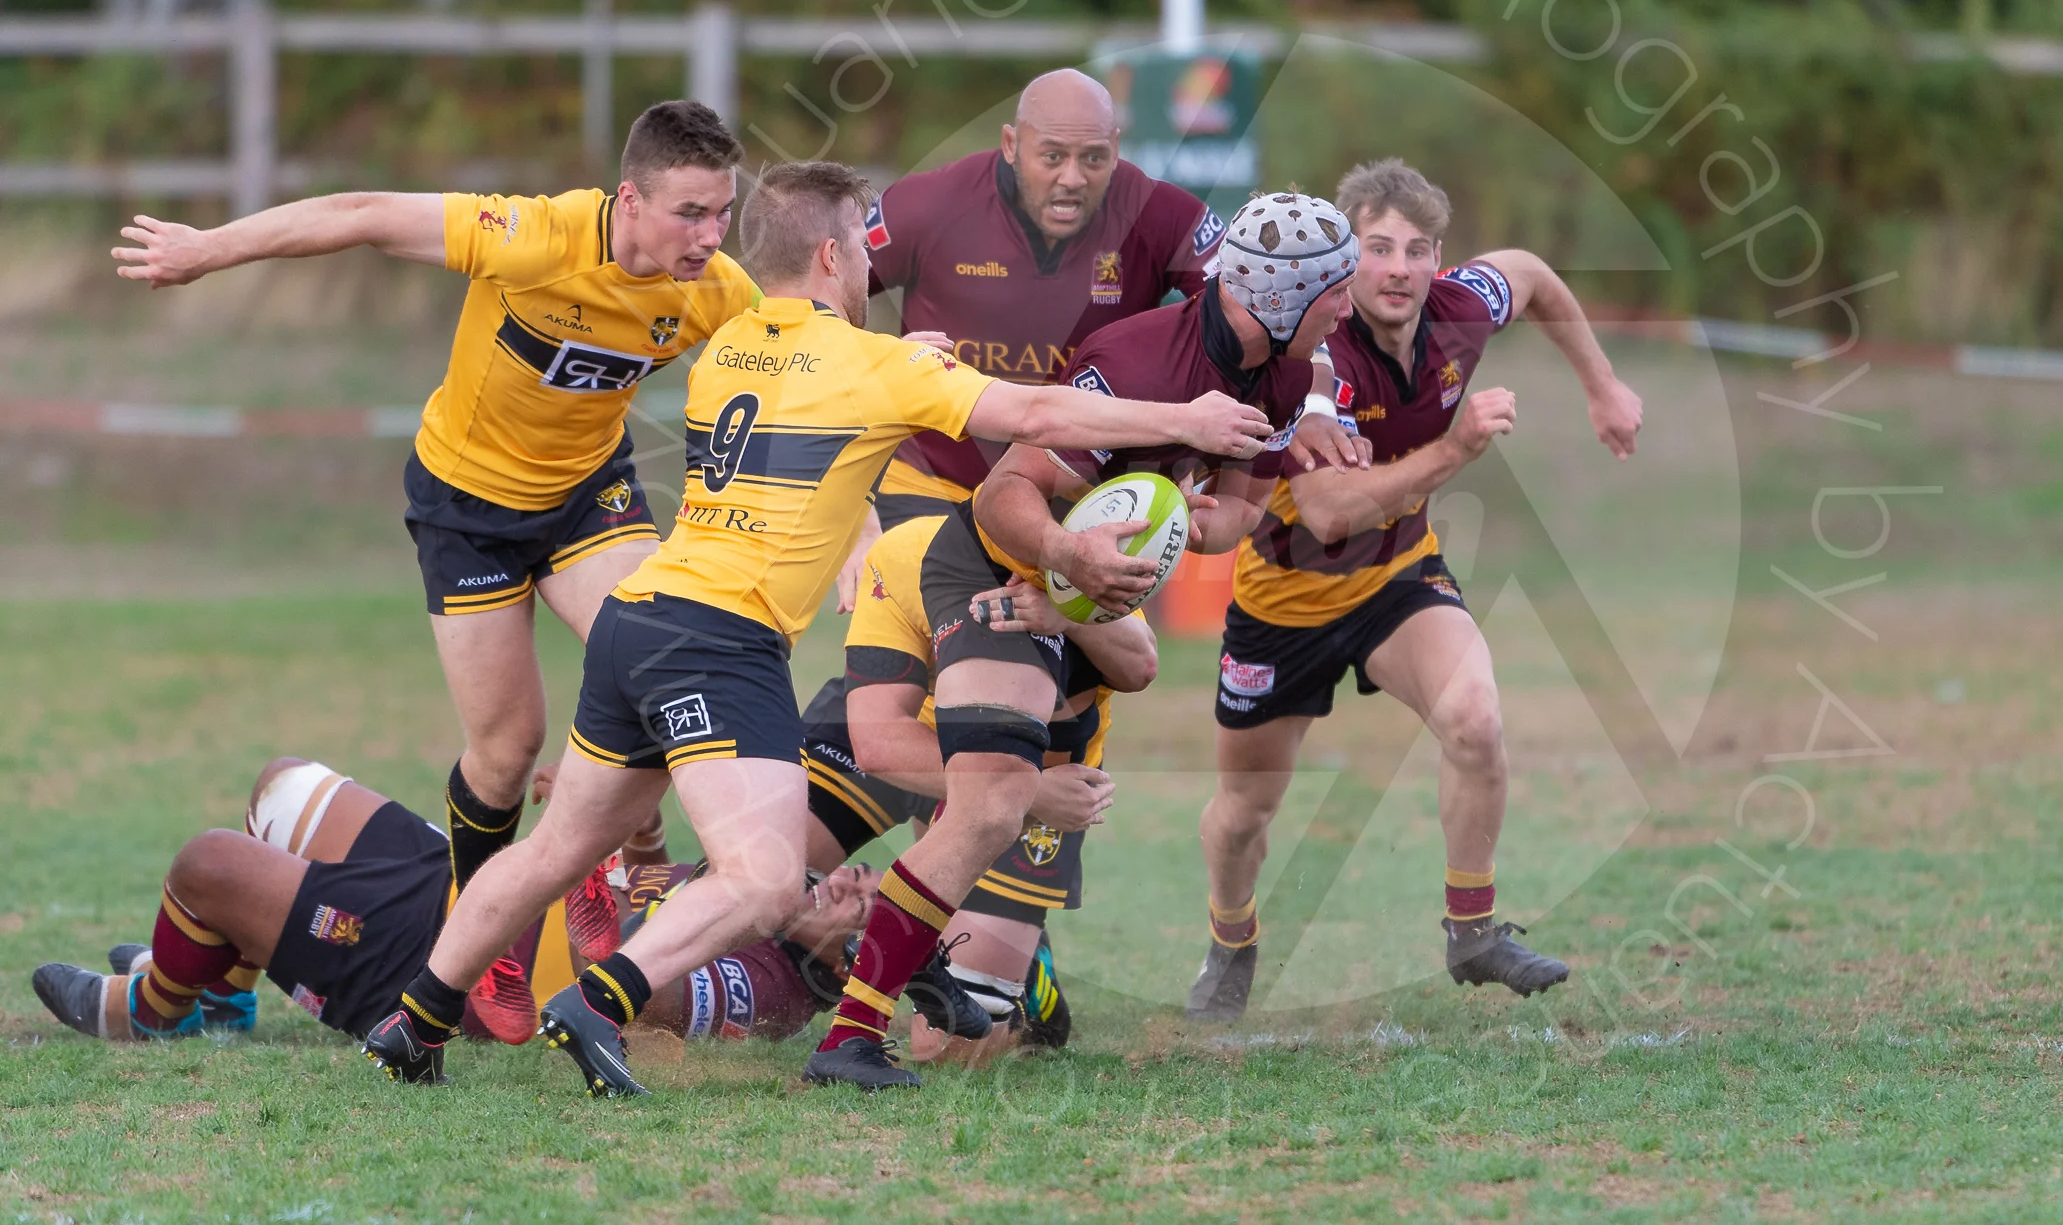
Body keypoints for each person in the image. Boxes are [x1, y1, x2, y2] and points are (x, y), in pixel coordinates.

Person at [361, 159, 1275, 1097]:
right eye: (864, 248)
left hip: (638, 618)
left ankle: (416, 1021)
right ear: (835, 256)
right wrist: (1185, 417)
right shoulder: (876, 363)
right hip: (719, 642)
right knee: (761, 880)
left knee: (559, 848)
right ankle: (599, 1002)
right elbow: (1036, 412)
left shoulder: (731, 338)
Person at [111, 102, 761, 905]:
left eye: (723, 212)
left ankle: (638, 856)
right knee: (507, 751)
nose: (710, 236)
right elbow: (363, 214)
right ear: (630, 202)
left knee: (665, 657)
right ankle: (477, 929)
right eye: (690, 214)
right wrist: (207, 249)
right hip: (468, 510)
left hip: (588, 494)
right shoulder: (537, 238)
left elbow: (810, 362)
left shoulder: (716, 290)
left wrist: (892, 363)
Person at [805, 190, 1355, 1093]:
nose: (1344, 317)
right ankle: (849, 1037)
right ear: (1282, 296)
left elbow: (1234, 521)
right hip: (998, 576)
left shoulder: (1290, 376)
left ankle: (1001, 972)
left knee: (978, 1025)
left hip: (1078, 612)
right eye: (1334, 295)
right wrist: (1068, 558)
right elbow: (1001, 497)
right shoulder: (1131, 354)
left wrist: (1184, 522)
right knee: (990, 804)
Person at [1185, 159, 1645, 1019]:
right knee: (1243, 812)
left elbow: (1535, 277)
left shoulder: (1461, 309)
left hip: (1398, 578)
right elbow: (1324, 512)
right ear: (1342, 262)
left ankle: (1472, 931)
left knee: (1476, 718)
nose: (1398, 268)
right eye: (1377, 248)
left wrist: (1603, 385)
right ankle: (1231, 938)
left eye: (1418, 250)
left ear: (1439, 259)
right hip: (1283, 603)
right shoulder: (1312, 356)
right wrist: (1458, 449)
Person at [27, 758, 872, 1049]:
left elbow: (631, 992)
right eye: (860, 879)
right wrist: (641, 840)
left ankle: (149, 1008)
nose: (847, 880)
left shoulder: (768, 988)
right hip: (475, 885)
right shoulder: (765, 896)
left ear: (841, 967)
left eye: (855, 911)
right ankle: (218, 992)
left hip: (441, 970)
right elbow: (650, 895)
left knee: (206, 863)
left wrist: (593, 867)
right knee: (279, 789)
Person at [855, 67, 1362, 535]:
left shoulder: (1159, 212)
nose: (1073, 177)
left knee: (1123, 637)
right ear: (1011, 144)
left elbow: (1271, 308)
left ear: (1117, 148)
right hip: (928, 484)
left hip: (1077, 498)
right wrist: (862, 386)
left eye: (1093, 157)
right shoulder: (929, 205)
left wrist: (1314, 404)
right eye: (1052, 155)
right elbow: (823, 297)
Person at [808, 515, 1157, 1057]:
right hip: (923, 743)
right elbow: (876, 745)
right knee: (760, 877)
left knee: (947, 1048)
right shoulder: (907, 554)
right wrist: (1032, 790)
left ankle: (1018, 962)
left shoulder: (1068, 558)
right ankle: (816, 980)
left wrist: (1067, 615)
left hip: (1032, 759)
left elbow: (1141, 663)